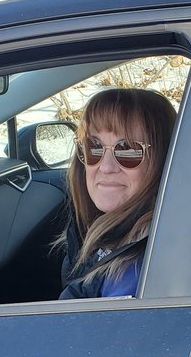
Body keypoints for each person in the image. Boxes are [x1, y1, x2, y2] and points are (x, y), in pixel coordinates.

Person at [59, 88, 177, 299]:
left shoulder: (134, 271)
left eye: (128, 150)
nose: (106, 167)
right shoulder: (101, 233)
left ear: (162, 162)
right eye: (94, 147)